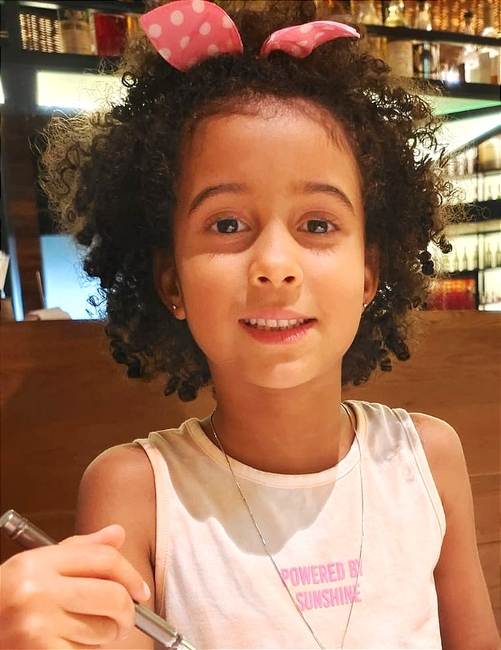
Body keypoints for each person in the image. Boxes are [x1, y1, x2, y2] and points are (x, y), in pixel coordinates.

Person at [1, 1, 499, 648]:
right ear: (171, 282)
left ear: (368, 273)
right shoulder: (138, 492)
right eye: (227, 224)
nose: (275, 266)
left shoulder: (426, 459)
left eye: (317, 224)